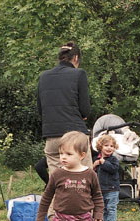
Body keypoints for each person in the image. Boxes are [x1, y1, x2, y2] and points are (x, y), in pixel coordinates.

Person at [35, 132, 104, 221]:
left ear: (82, 155)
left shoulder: (90, 174)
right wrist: (41, 214)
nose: (63, 157)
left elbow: (97, 196)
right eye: (61, 153)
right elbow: (47, 196)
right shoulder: (57, 174)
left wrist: (98, 214)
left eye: (68, 154)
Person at [37, 41, 92, 175]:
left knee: (58, 183)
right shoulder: (79, 74)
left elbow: (40, 110)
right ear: (76, 58)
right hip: (75, 136)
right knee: (84, 180)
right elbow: (85, 109)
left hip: (52, 136)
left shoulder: (43, 76)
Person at [93, 134, 120, 221]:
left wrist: (104, 162)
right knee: (102, 207)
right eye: (106, 145)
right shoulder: (96, 159)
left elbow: (114, 169)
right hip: (100, 188)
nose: (109, 148)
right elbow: (92, 172)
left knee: (111, 207)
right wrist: (94, 165)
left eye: (112, 146)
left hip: (112, 188)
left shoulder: (113, 159)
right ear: (100, 147)